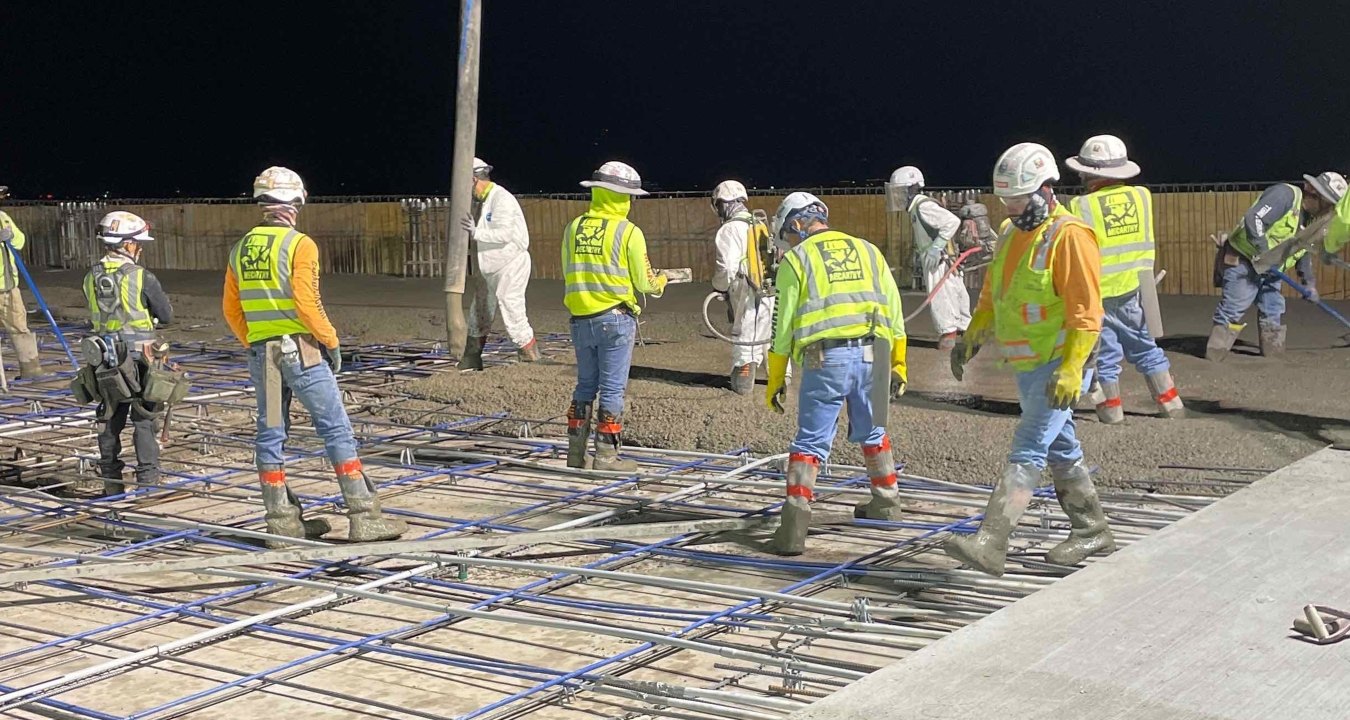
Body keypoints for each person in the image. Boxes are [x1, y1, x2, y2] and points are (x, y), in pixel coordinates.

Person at [946, 142, 1113, 577]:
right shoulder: (1009, 232)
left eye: (1019, 199)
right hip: (1028, 362)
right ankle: (1092, 528)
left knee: (1030, 444)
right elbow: (994, 294)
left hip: (1058, 361)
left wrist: (1073, 368)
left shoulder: (1070, 235)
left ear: (1046, 189)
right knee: (1061, 447)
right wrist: (971, 338)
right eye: (1007, 200)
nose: (1013, 208)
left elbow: (1086, 312)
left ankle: (992, 541)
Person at [223, 166, 407, 546]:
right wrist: (330, 340)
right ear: (295, 202)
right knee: (335, 428)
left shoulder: (240, 249)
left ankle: (281, 524)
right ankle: (364, 517)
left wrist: (256, 343)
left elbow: (231, 309)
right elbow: (307, 302)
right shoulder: (299, 244)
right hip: (300, 352)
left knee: (271, 435)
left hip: (265, 355)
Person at [762, 192, 907, 556]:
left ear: (796, 224)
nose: (789, 241)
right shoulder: (868, 250)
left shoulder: (796, 260)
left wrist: (777, 376)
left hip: (825, 358)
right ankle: (886, 503)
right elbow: (894, 309)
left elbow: (781, 326)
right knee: (874, 430)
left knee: (810, 441)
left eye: (789, 233)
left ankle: (793, 529)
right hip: (876, 352)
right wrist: (899, 362)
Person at [1065, 135, 1184, 422]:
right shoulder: (1141, 196)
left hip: (1098, 293)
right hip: (1134, 288)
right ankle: (1171, 404)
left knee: (1105, 354)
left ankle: (1111, 411)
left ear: (1091, 172)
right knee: (1144, 345)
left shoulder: (1080, 207)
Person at [562, 161, 668, 472]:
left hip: (580, 318)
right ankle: (606, 458)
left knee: (584, 386)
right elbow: (646, 283)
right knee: (611, 389)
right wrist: (661, 281)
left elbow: (569, 270)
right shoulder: (628, 232)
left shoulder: (573, 228)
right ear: (621, 196)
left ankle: (574, 454)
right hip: (615, 319)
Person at [1206, 171, 1345, 360]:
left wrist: (1308, 282)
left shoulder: (1312, 222)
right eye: (1328, 205)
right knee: (1234, 306)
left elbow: (1302, 253)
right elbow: (1254, 219)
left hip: (1271, 269)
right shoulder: (1285, 196)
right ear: (1314, 193)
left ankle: (1273, 354)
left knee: (1273, 308)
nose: (1328, 212)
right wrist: (1265, 252)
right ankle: (1215, 355)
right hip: (1245, 260)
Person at [83, 211, 173, 496]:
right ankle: (147, 481)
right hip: (139, 360)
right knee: (144, 418)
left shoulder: (90, 277)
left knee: (109, 416)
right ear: (128, 245)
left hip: (104, 358)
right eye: (137, 243)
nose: (140, 248)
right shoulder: (140, 276)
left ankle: (112, 484)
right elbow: (165, 315)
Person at [460, 157, 538, 369]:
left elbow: (505, 234)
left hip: (510, 265)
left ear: (474, 180)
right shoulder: (486, 201)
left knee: (511, 308)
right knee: (480, 311)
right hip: (492, 267)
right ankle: (471, 359)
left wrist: (476, 232)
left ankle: (529, 357)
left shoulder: (501, 199)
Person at [886, 166, 971, 349]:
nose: (898, 196)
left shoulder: (923, 206)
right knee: (955, 290)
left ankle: (948, 333)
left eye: (900, 191)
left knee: (940, 294)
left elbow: (952, 221)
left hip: (937, 257)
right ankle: (964, 328)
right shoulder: (918, 208)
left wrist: (936, 247)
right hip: (940, 255)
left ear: (911, 189)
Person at [710, 179, 774, 394]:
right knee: (768, 332)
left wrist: (719, 287)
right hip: (769, 287)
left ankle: (743, 383)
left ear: (723, 203)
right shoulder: (759, 223)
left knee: (745, 334)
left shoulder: (730, 229)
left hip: (746, 289)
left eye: (718, 205)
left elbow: (727, 267)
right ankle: (781, 377)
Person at [0, 189, 45, 379]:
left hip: (9, 288)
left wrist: (11, 236)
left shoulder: (3, 218)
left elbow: (20, 241)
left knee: (20, 328)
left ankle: (31, 370)